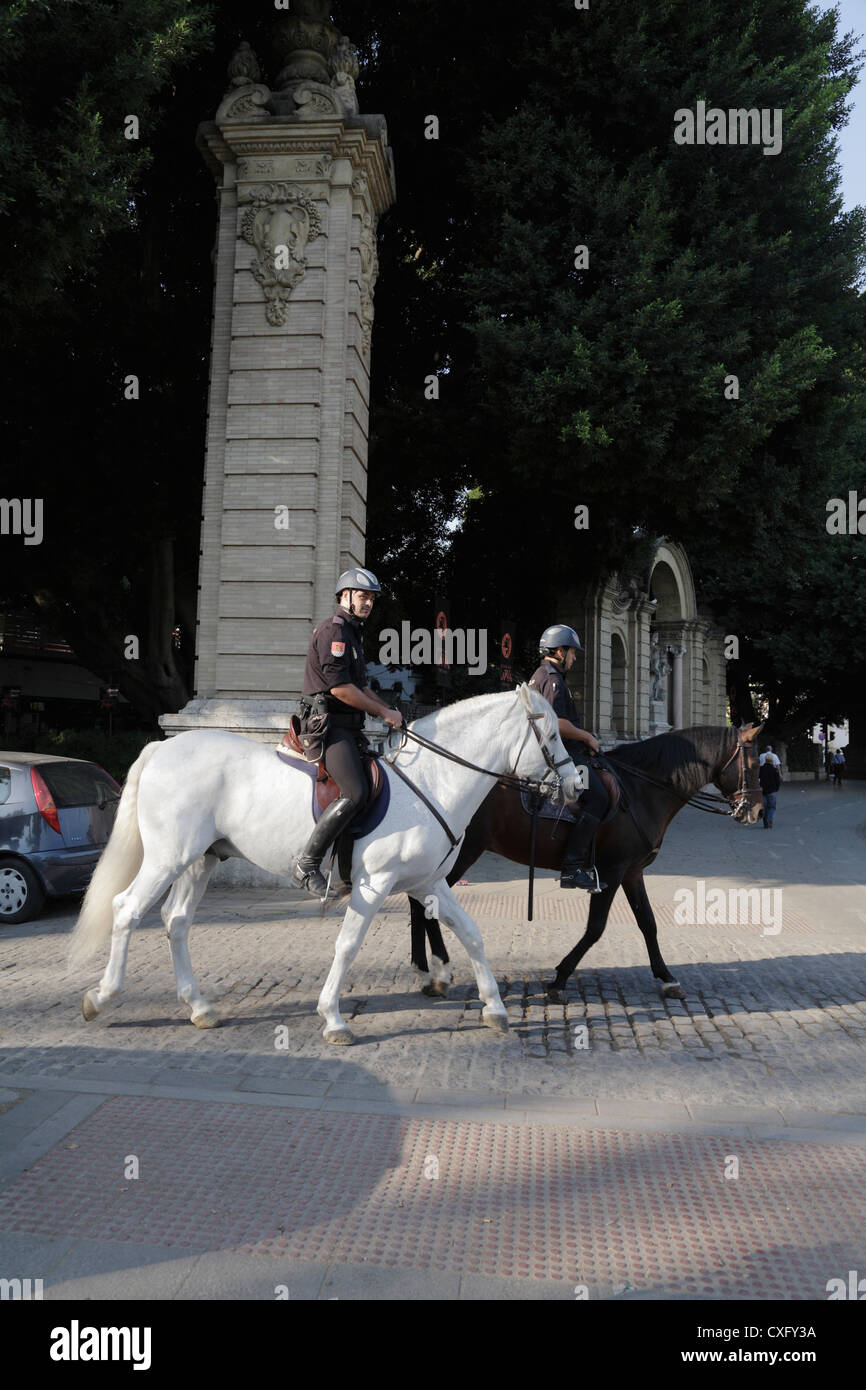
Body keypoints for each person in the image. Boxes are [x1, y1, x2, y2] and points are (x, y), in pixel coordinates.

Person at [292, 567, 403, 896]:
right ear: (344, 597)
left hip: (349, 726)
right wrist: (382, 711)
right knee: (354, 792)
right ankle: (307, 864)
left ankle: (345, 874)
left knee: (371, 786)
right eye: (362, 596)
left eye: (371, 598)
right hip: (329, 728)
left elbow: (362, 688)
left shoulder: (353, 634)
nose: (367, 602)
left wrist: (390, 711)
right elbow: (340, 689)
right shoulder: (334, 631)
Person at [529, 624, 608, 892]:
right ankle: (573, 867)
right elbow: (557, 724)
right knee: (598, 798)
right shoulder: (552, 679)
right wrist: (587, 737)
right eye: (572, 653)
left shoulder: (541, 674)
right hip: (560, 755)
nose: (574, 659)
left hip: (559, 752)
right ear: (560, 651)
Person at [758, 754, 781, 828]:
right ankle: (769, 819)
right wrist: (777, 788)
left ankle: (765, 823)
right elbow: (778, 781)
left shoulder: (761, 769)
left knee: (765, 807)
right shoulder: (774, 770)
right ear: (772, 760)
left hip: (763, 790)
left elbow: (758, 779)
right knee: (772, 807)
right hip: (772, 791)